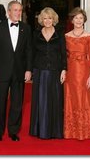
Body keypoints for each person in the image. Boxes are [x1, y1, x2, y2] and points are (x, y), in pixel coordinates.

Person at [0, 1, 32, 142]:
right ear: (8, 11)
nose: (18, 13)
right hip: (1, 71)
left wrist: (29, 70)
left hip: (19, 71)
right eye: (15, 10)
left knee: (17, 103)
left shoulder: (26, 28)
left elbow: (29, 51)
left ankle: (13, 131)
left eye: (20, 10)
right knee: (0, 102)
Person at [29, 7, 67, 139]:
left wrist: (64, 69)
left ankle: (55, 131)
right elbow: (31, 53)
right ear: (41, 20)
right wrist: (30, 70)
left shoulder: (60, 33)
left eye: (50, 18)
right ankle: (39, 129)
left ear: (54, 19)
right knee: (40, 100)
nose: (47, 21)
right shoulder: (36, 34)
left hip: (55, 71)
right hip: (40, 71)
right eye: (45, 18)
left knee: (55, 100)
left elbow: (63, 53)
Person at [64, 7, 90, 140]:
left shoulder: (89, 36)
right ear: (72, 20)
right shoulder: (66, 36)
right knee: (70, 98)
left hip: (83, 71)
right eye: (76, 18)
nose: (78, 20)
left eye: (81, 18)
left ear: (84, 20)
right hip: (70, 71)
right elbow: (63, 56)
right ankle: (70, 131)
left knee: (83, 98)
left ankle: (85, 131)